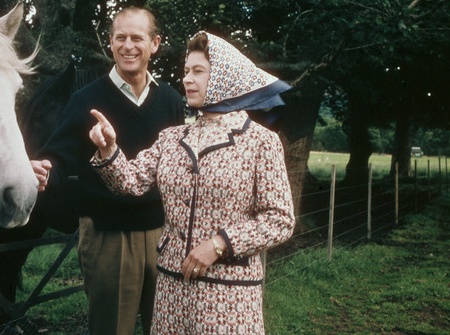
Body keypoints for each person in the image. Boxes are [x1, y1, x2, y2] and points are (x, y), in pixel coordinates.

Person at [87, 31, 295, 334]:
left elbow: (280, 220)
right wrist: (108, 148)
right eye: (186, 71)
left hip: (229, 295)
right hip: (172, 291)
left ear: (225, 77)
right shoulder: (172, 138)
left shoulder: (260, 142)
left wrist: (219, 244)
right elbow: (128, 183)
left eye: (198, 71)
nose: (187, 79)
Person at [31, 7, 184, 335]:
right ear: (110, 44)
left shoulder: (170, 100)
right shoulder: (86, 99)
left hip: (162, 235)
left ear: (154, 44)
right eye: (120, 38)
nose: (128, 46)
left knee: (168, 329)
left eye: (137, 38)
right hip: (108, 237)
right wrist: (46, 170)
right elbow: (58, 156)